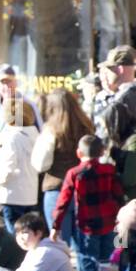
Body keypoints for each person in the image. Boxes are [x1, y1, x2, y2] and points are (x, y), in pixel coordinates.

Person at [51, 133, 123, 271]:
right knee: (107, 264)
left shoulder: (74, 173)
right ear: (102, 151)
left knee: (88, 267)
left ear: (78, 153)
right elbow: (118, 194)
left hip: (87, 227)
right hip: (109, 223)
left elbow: (63, 202)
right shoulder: (109, 170)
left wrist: (56, 226)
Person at [32, 87, 94, 231]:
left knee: (59, 244)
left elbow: (40, 164)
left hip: (58, 190)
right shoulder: (87, 127)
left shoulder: (52, 130)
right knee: (82, 246)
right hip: (84, 188)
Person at [0, 97, 40, 231]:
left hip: (11, 194)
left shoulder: (12, 138)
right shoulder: (36, 136)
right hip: (30, 193)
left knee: (13, 235)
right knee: (28, 234)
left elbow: (7, 167)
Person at [0, 64, 40, 135]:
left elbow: (38, 132)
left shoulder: (27, 105)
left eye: (9, 81)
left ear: (16, 83)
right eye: (2, 82)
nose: (6, 86)